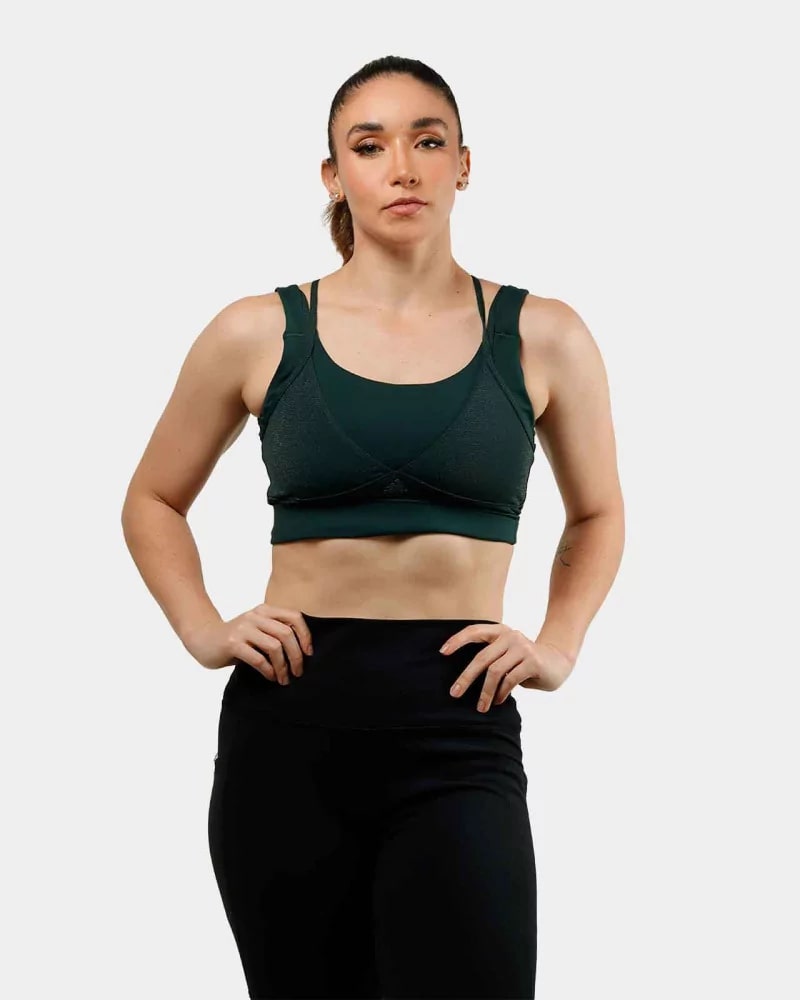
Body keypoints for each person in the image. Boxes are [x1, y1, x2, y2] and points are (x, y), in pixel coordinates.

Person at [121, 54, 624, 1000]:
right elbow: (152, 500)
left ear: (463, 165)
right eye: (369, 145)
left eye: (428, 142)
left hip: (459, 723)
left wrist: (559, 645)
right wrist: (204, 629)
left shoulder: (544, 335)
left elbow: (597, 513)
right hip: (290, 726)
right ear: (333, 174)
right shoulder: (257, 330)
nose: (402, 167)